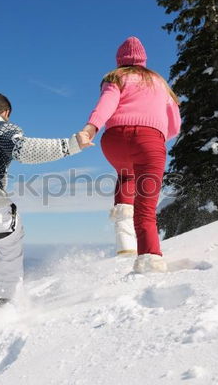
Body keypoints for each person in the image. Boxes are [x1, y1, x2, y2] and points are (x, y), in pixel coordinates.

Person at [0, 93, 90, 316]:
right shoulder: (3, 129)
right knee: (12, 238)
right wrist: (70, 145)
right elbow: (25, 149)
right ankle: (3, 300)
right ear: (6, 113)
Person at [77, 36, 181, 273]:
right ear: (143, 60)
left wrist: (89, 128)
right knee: (146, 204)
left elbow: (107, 103)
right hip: (150, 141)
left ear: (120, 61)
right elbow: (175, 124)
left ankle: (125, 242)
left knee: (126, 175)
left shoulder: (115, 77)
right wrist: (158, 136)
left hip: (114, 140)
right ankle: (149, 257)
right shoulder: (160, 83)